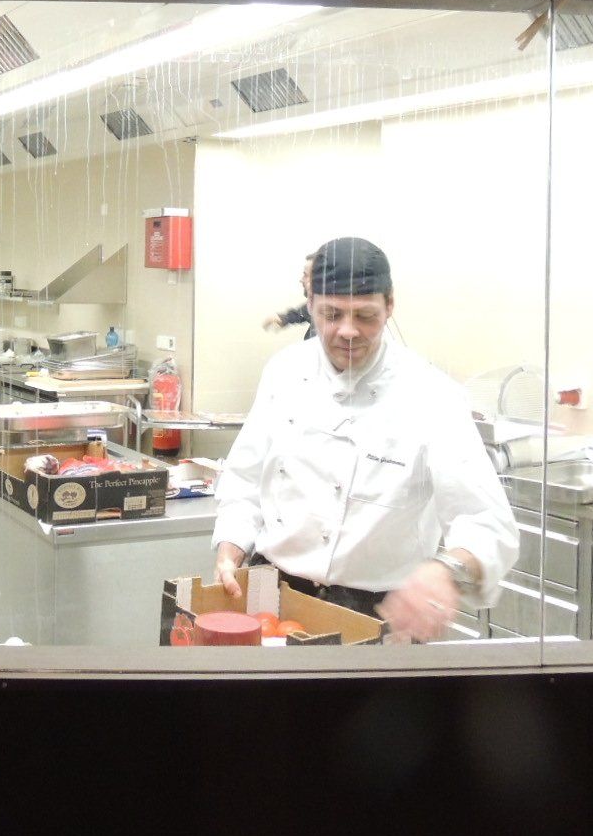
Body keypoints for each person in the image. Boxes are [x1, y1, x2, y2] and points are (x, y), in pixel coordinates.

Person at [213, 236, 519, 643]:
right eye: (331, 314)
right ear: (310, 304)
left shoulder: (432, 395)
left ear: (390, 305)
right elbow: (245, 480)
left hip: (380, 614)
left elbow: (487, 522)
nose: (348, 331)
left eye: (366, 316)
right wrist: (231, 546)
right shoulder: (284, 371)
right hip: (275, 598)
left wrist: (446, 571)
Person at [261, 251, 317, 338]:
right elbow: (305, 311)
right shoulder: (320, 305)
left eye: (305, 275)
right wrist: (285, 318)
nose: (301, 280)